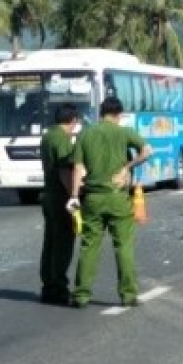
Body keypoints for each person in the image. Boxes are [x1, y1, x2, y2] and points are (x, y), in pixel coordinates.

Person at [70, 97, 153, 308]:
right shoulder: (124, 133)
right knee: (123, 246)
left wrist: (74, 196)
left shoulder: (85, 134)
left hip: (93, 198)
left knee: (89, 246)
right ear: (119, 114)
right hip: (117, 198)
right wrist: (127, 167)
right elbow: (147, 151)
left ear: (101, 113)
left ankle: (81, 295)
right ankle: (128, 295)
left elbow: (78, 168)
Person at [39, 105, 82, 306]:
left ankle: (48, 285)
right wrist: (73, 196)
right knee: (63, 245)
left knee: (50, 243)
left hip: (48, 194)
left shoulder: (48, 136)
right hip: (60, 196)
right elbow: (65, 170)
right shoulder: (62, 139)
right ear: (73, 120)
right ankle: (59, 287)